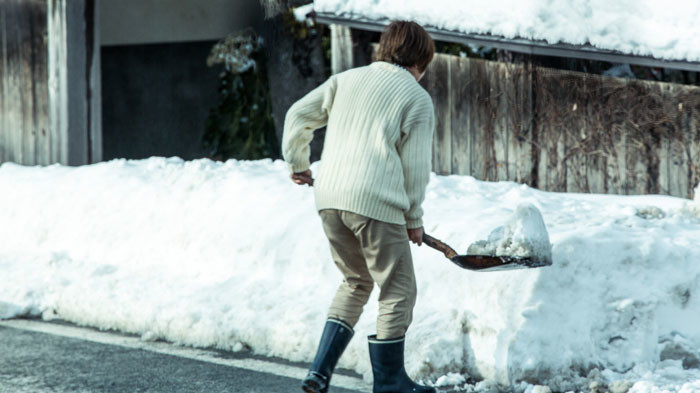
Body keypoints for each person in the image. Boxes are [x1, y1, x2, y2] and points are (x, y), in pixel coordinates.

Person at [282, 20, 436, 393]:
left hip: (330, 200)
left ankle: (318, 372)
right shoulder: (416, 98)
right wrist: (413, 218)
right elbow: (414, 167)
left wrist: (298, 163)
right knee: (398, 289)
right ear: (421, 60)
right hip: (375, 204)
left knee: (355, 281)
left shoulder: (346, 80)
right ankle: (389, 382)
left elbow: (297, 116)